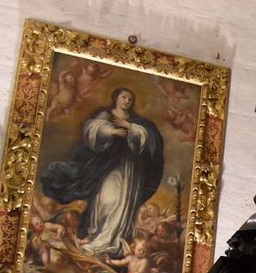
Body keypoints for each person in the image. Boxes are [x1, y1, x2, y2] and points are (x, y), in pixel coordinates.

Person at [40, 86, 165, 259]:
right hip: (107, 165)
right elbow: (92, 128)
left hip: (129, 169)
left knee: (122, 202)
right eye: (124, 97)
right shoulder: (107, 115)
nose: (127, 101)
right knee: (107, 199)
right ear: (116, 98)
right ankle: (97, 236)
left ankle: (110, 242)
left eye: (130, 98)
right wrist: (112, 130)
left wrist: (130, 127)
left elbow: (151, 139)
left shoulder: (138, 121)